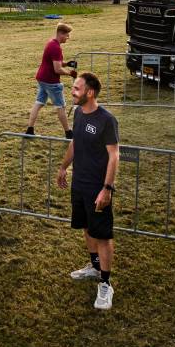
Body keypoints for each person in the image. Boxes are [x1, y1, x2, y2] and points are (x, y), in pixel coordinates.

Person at [57, 72, 120, 310]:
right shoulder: (78, 113)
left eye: (76, 88)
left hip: (97, 186)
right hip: (79, 184)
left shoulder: (107, 120)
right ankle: (95, 267)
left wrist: (107, 188)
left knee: (102, 235)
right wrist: (63, 167)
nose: (72, 92)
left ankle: (105, 283)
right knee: (87, 227)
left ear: (90, 92)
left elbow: (114, 155)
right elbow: (75, 143)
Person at [25, 23, 78, 139]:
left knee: (39, 103)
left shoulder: (51, 43)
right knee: (61, 106)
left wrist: (67, 64)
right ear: (61, 34)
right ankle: (69, 133)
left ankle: (29, 130)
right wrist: (70, 73)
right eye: (67, 35)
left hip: (42, 78)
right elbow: (57, 69)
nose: (68, 37)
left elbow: (55, 62)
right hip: (51, 82)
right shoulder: (56, 48)